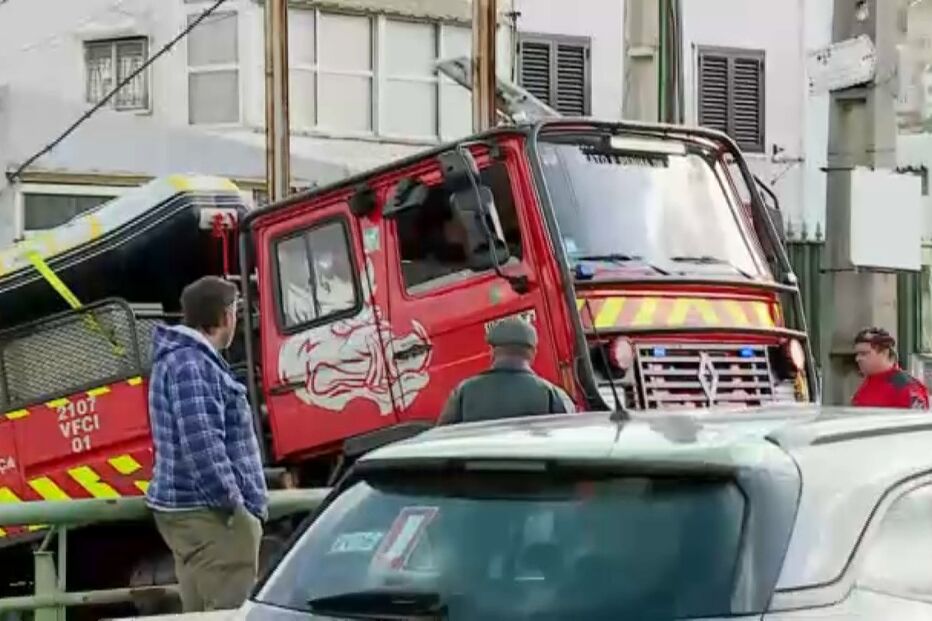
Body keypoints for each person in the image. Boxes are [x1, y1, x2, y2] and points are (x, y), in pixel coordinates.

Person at [146, 276, 269, 612]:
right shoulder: (192, 364)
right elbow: (202, 446)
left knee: (201, 612)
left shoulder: (178, 359)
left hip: (194, 513)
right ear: (225, 315)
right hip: (212, 517)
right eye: (236, 312)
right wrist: (236, 509)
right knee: (231, 611)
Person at [436, 317, 576, 425]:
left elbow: (440, 440)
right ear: (533, 353)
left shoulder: (464, 393)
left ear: (492, 352)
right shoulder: (552, 395)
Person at [851, 326, 929, 410]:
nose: (857, 359)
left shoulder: (906, 387)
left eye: (864, 353)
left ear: (884, 352)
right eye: (857, 354)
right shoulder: (868, 383)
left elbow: (918, 417)